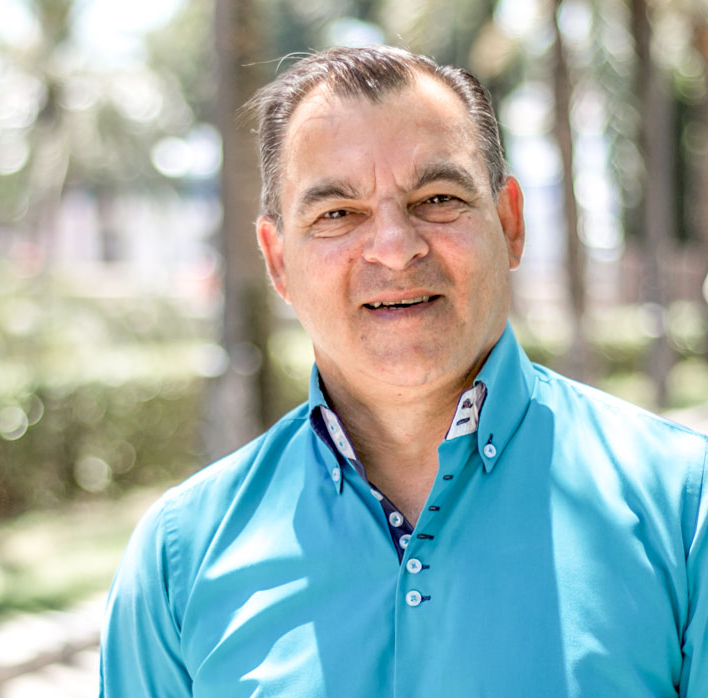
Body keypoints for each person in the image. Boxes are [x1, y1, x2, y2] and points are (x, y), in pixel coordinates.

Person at [98, 45, 708, 697]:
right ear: (278, 261)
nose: (395, 248)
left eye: (438, 198)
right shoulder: (179, 559)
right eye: (337, 213)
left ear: (509, 223)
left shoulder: (686, 509)